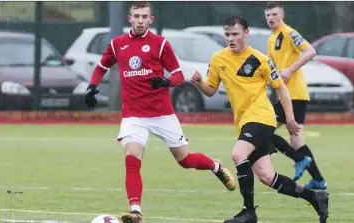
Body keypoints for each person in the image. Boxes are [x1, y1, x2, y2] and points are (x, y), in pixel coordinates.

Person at [84, 2, 236, 223]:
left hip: (162, 113)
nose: (140, 20)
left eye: (144, 16)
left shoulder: (160, 44)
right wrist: (92, 87)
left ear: (150, 20)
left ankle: (215, 166)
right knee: (131, 158)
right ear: (129, 18)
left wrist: (164, 81)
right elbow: (101, 67)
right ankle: (136, 211)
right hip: (133, 115)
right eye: (136, 16)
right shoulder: (118, 44)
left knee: (184, 160)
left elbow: (177, 75)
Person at [191, 15, 329, 223]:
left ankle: (249, 212)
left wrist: (290, 119)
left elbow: (281, 88)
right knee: (266, 177)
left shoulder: (260, 60)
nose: (231, 38)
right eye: (227, 34)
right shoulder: (219, 59)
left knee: (238, 154)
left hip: (262, 118)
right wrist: (200, 83)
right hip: (244, 122)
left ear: (246, 34)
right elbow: (210, 90)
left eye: (235, 34)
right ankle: (315, 197)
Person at [265, 1, 328, 189]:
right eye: (268, 15)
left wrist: (290, 70)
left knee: (264, 131)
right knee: (296, 139)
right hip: (289, 95)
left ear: (282, 15)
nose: (271, 18)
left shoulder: (288, 33)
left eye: (274, 14)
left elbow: (310, 51)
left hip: (294, 94)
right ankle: (318, 180)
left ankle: (300, 159)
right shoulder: (271, 39)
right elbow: (271, 67)